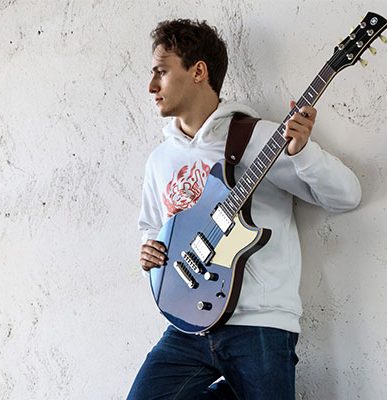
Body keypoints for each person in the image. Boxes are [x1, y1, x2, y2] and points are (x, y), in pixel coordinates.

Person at [127, 19, 362, 400]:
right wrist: (150, 253)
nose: (151, 86)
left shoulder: (258, 138)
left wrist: (303, 153)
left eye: (161, 72)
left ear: (198, 71)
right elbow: (152, 226)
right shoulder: (160, 160)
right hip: (188, 324)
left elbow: (347, 196)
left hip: (259, 324)